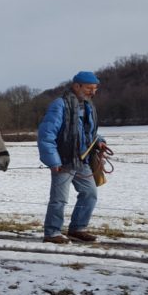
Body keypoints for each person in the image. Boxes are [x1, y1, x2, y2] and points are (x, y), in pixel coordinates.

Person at [38, 71, 106, 244]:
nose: (93, 92)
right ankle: (52, 233)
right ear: (77, 86)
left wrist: (99, 142)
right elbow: (46, 135)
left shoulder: (88, 106)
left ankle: (77, 229)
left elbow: (88, 132)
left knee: (90, 193)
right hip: (64, 161)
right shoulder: (59, 105)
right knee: (59, 199)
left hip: (82, 160)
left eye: (95, 89)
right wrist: (53, 161)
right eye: (90, 88)